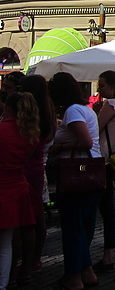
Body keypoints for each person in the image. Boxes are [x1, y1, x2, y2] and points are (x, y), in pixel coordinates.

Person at [48, 72, 102, 290]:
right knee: (83, 225)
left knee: (72, 226)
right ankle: (86, 271)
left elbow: (86, 142)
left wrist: (59, 147)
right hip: (92, 172)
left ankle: (74, 276)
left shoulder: (72, 111)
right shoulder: (84, 110)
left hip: (77, 172)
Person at [16, 75, 56, 284]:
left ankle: (25, 263)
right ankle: (34, 260)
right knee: (36, 216)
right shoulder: (48, 108)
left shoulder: (29, 109)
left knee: (24, 219)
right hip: (39, 167)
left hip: (25, 167)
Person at [0, 92, 38, 290]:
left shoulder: (2, 129)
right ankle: (3, 283)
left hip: (3, 186)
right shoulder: (29, 134)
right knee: (6, 243)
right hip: (16, 187)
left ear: (8, 108)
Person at [93, 70, 115, 274]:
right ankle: (108, 254)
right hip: (111, 160)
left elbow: (94, 128)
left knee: (99, 209)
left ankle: (104, 257)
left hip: (101, 160)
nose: (99, 88)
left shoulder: (112, 105)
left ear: (113, 86)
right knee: (108, 209)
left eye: (103, 84)